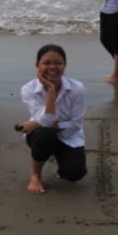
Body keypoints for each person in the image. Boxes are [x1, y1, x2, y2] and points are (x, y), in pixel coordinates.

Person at [16, 44, 87, 194]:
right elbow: (47, 122)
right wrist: (51, 91)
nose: (52, 67)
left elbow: (76, 124)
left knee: (74, 174)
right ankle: (35, 174)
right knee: (45, 134)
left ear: (65, 65)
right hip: (41, 135)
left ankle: (61, 157)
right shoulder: (28, 89)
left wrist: (36, 123)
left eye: (58, 63)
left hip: (69, 135)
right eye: (47, 63)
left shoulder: (77, 88)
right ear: (37, 65)